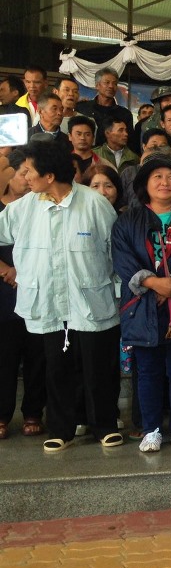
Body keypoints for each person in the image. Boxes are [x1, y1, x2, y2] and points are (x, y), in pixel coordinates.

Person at [0, 140, 122, 452]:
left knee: (97, 367)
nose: (26, 177)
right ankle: (60, 429)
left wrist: (120, 293)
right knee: (56, 367)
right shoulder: (24, 207)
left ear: (49, 175)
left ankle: (104, 425)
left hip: (91, 300)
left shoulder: (94, 204)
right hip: (48, 301)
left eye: (30, 171)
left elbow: (115, 252)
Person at [112, 156, 171, 453]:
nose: (165, 182)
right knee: (148, 371)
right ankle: (151, 429)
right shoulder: (128, 220)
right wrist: (154, 283)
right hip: (143, 306)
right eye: (158, 177)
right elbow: (122, 258)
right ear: (145, 184)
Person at [0, 150, 46, 439]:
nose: (27, 179)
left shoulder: (40, 207)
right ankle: (2, 416)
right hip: (4, 291)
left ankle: (33, 412)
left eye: (31, 173)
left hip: (36, 287)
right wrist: (7, 269)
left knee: (36, 354)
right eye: (22, 174)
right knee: (4, 356)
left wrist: (24, 269)